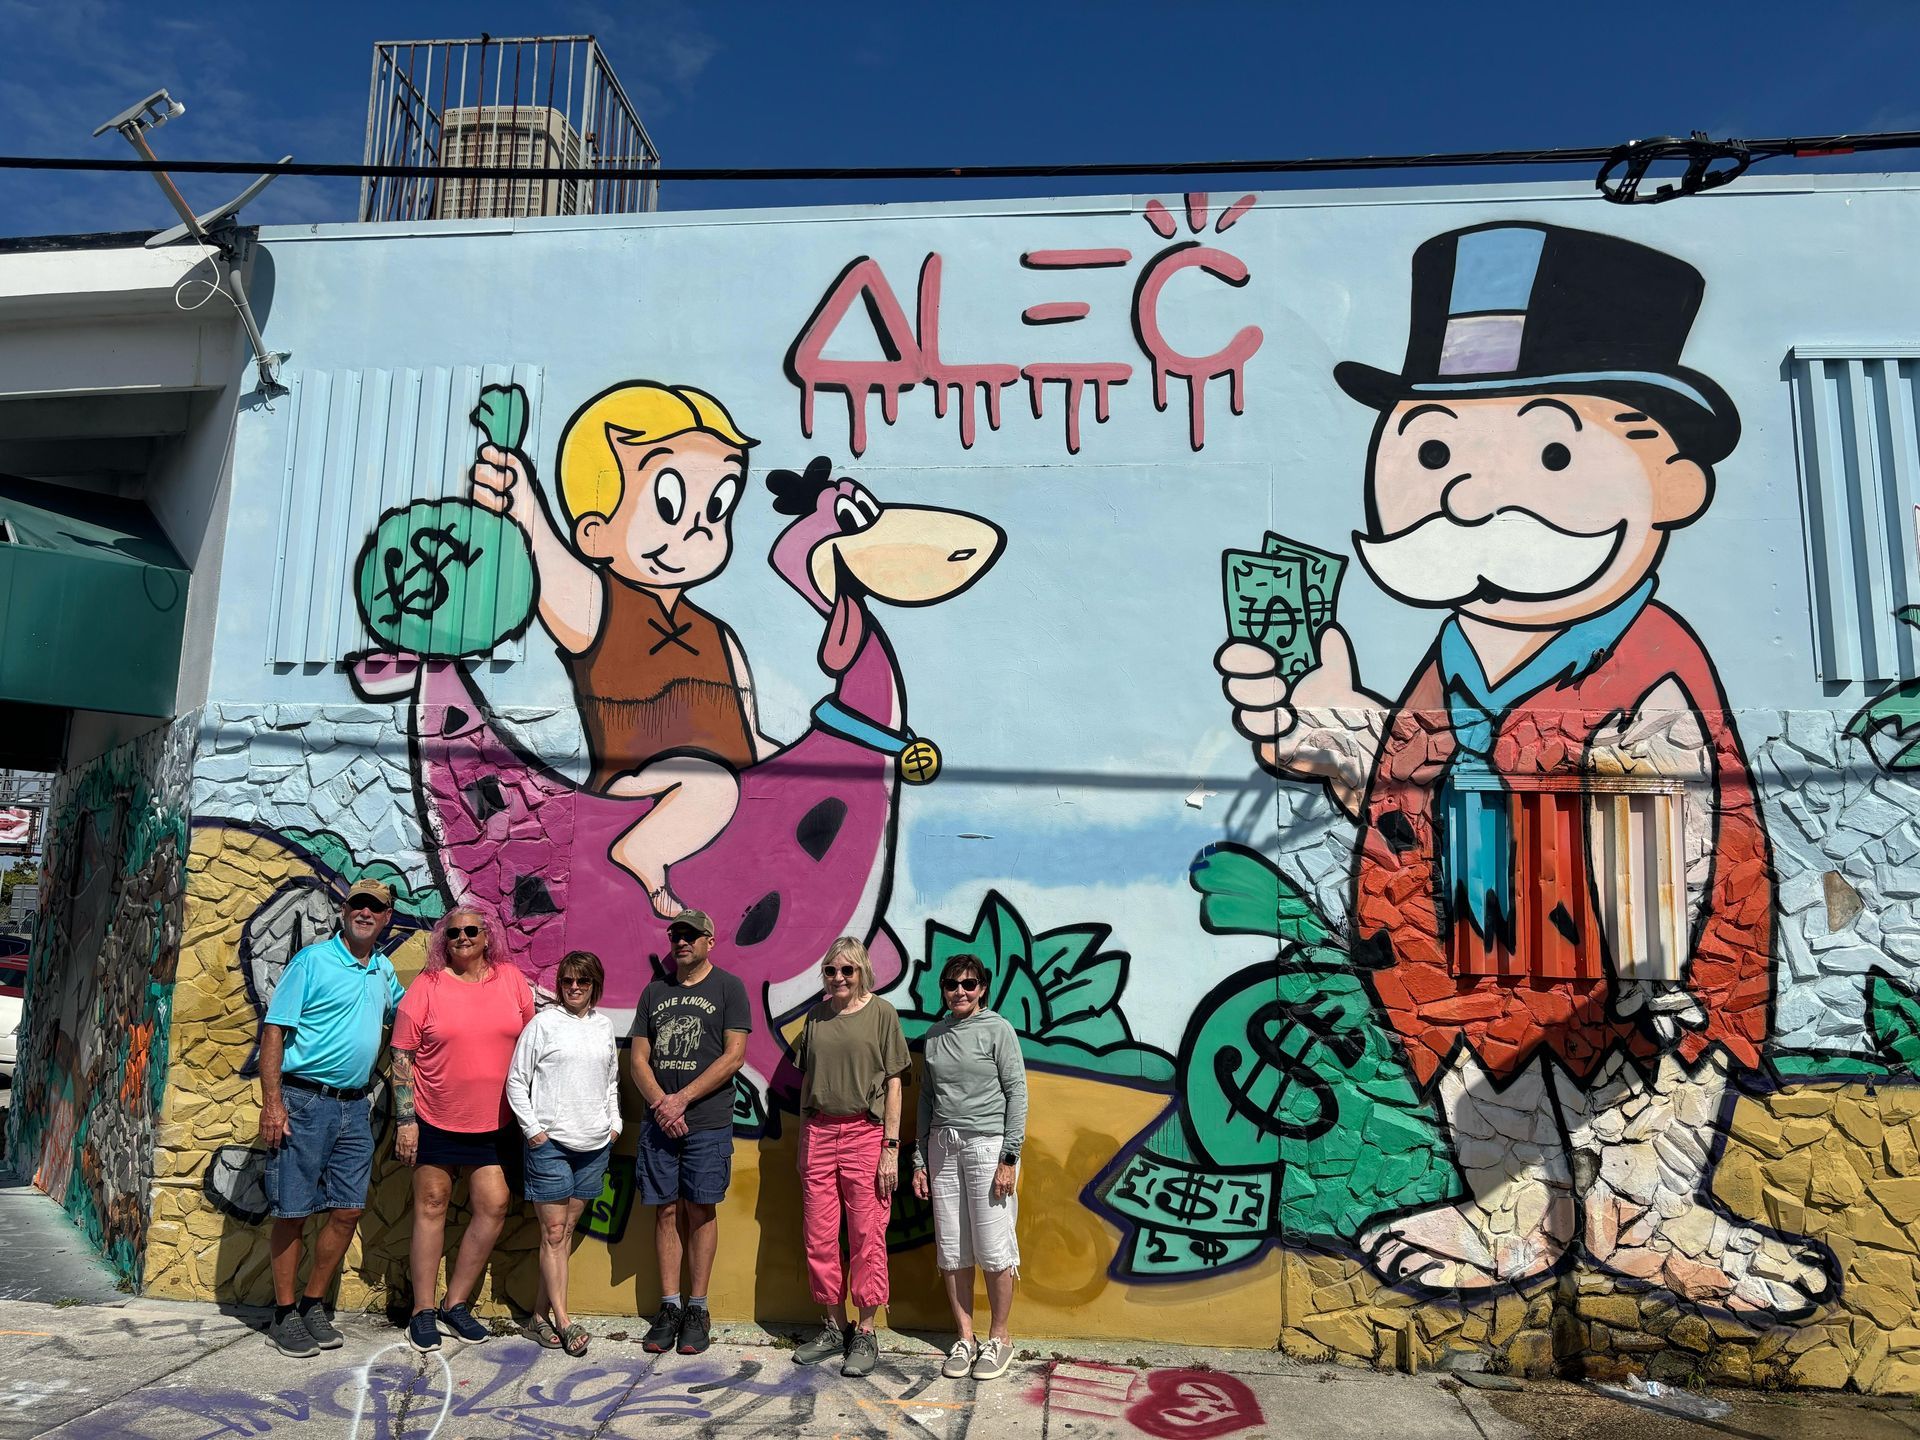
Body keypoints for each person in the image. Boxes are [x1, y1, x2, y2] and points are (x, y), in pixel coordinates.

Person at [1216, 221, 1828, 1316]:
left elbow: (1666, 823)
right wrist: (1335, 735)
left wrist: (1646, 969)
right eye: (1434, 450)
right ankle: (1513, 1212)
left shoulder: (1650, 659)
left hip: (1627, 967)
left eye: (1550, 453)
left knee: (1640, 1088)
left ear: (1674, 481)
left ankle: (1650, 1218)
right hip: (1460, 958)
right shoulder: (1446, 669)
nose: (1466, 494)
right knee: (1485, 1085)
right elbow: (1407, 800)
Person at [470, 382, 782, 918]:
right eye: (669, 501)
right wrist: (523, 501)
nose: (697, 528)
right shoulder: (600, 607)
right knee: (710, 783)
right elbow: (549, 556)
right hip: (631, 797)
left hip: (718, 820)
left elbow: (751, 737)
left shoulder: (719, 637)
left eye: (718, 504)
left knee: (726, 786)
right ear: (593, 532)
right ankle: (641, 852)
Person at [257, 877, 405, 1358]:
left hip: (355, 1107)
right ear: (346, 912)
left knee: (347, 1209)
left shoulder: (383, 971)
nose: (365, 913)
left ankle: (312, 1305)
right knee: (293, 1212)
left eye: (375, 908)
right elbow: (275, 1032)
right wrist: (273, 1103)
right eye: (358, 905)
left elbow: (413, 1016)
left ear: (386, 918)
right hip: (304, 1102)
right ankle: (283, 1314)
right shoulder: (312, 962)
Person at [392, 904, 535, 1353]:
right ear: (444, 941)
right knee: (431, 1206)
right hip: (434, 1115)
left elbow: (533, 1041)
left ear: (487, 936)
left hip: (496, 1120)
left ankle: (456, 1304)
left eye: (472, 931)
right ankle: (422, 1310)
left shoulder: (510, 980)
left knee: (493, 1206)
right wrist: (405, 1120)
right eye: (454, 933)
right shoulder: (427, 986)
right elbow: (401, 1057)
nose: (463, 938)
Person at [788, 937, 911, 1377]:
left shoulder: (882, 1015)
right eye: (831, 971)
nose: (838, 978)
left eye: (847, 971)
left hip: (866, 1133)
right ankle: (834, 1327)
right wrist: (806, 1138)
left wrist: (890, 1149)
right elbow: (808, 1080)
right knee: (819, 1238)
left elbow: (895, 1082)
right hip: (819, 1131)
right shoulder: (816, 1017)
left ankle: (866, 1331)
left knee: (866, 1236)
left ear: (862, 972)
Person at [630, 908, 751, 1356]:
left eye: (691, 935)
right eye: (676, 934)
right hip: (660, 1124)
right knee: (663, 1210)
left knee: (700, 1209)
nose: (682, 942)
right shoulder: (654, 991)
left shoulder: (729, 988)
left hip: (707, 1122)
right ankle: (669, 1307)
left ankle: (697, 1308)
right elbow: (639, 1059)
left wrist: (682, 1100)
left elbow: (733, 1056)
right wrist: (664, 1104)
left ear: (709, 940)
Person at [910, 954, 1027, 1381]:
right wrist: (920, 1157)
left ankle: (1000, 1338)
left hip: (987, 1147)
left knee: (994, 1247)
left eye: (970, 983)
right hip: (943, 1147)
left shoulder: (998, 1029)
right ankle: (965, 1336)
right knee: (953, 1248)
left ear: (982, 988)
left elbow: (1017, 1093)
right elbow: (926, 1099)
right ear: (942, 988)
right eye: (952, 983)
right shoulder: (935, 1034)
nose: (960, 991)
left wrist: (1009, 1157)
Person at [506, 950, 621, 1358]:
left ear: (595, 986)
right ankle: (565, 1322)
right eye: (568, 981)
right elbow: (517, 1081)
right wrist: (535, 1132)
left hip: (593, 1147)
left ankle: (538, 1316)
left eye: (583, 982)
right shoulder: (543, 1024)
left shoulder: (604, 1027)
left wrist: (615, 1124)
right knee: (553, 1234)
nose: (574, 988)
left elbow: (611, 1081)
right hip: (550, 1145)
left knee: (563, 1235)